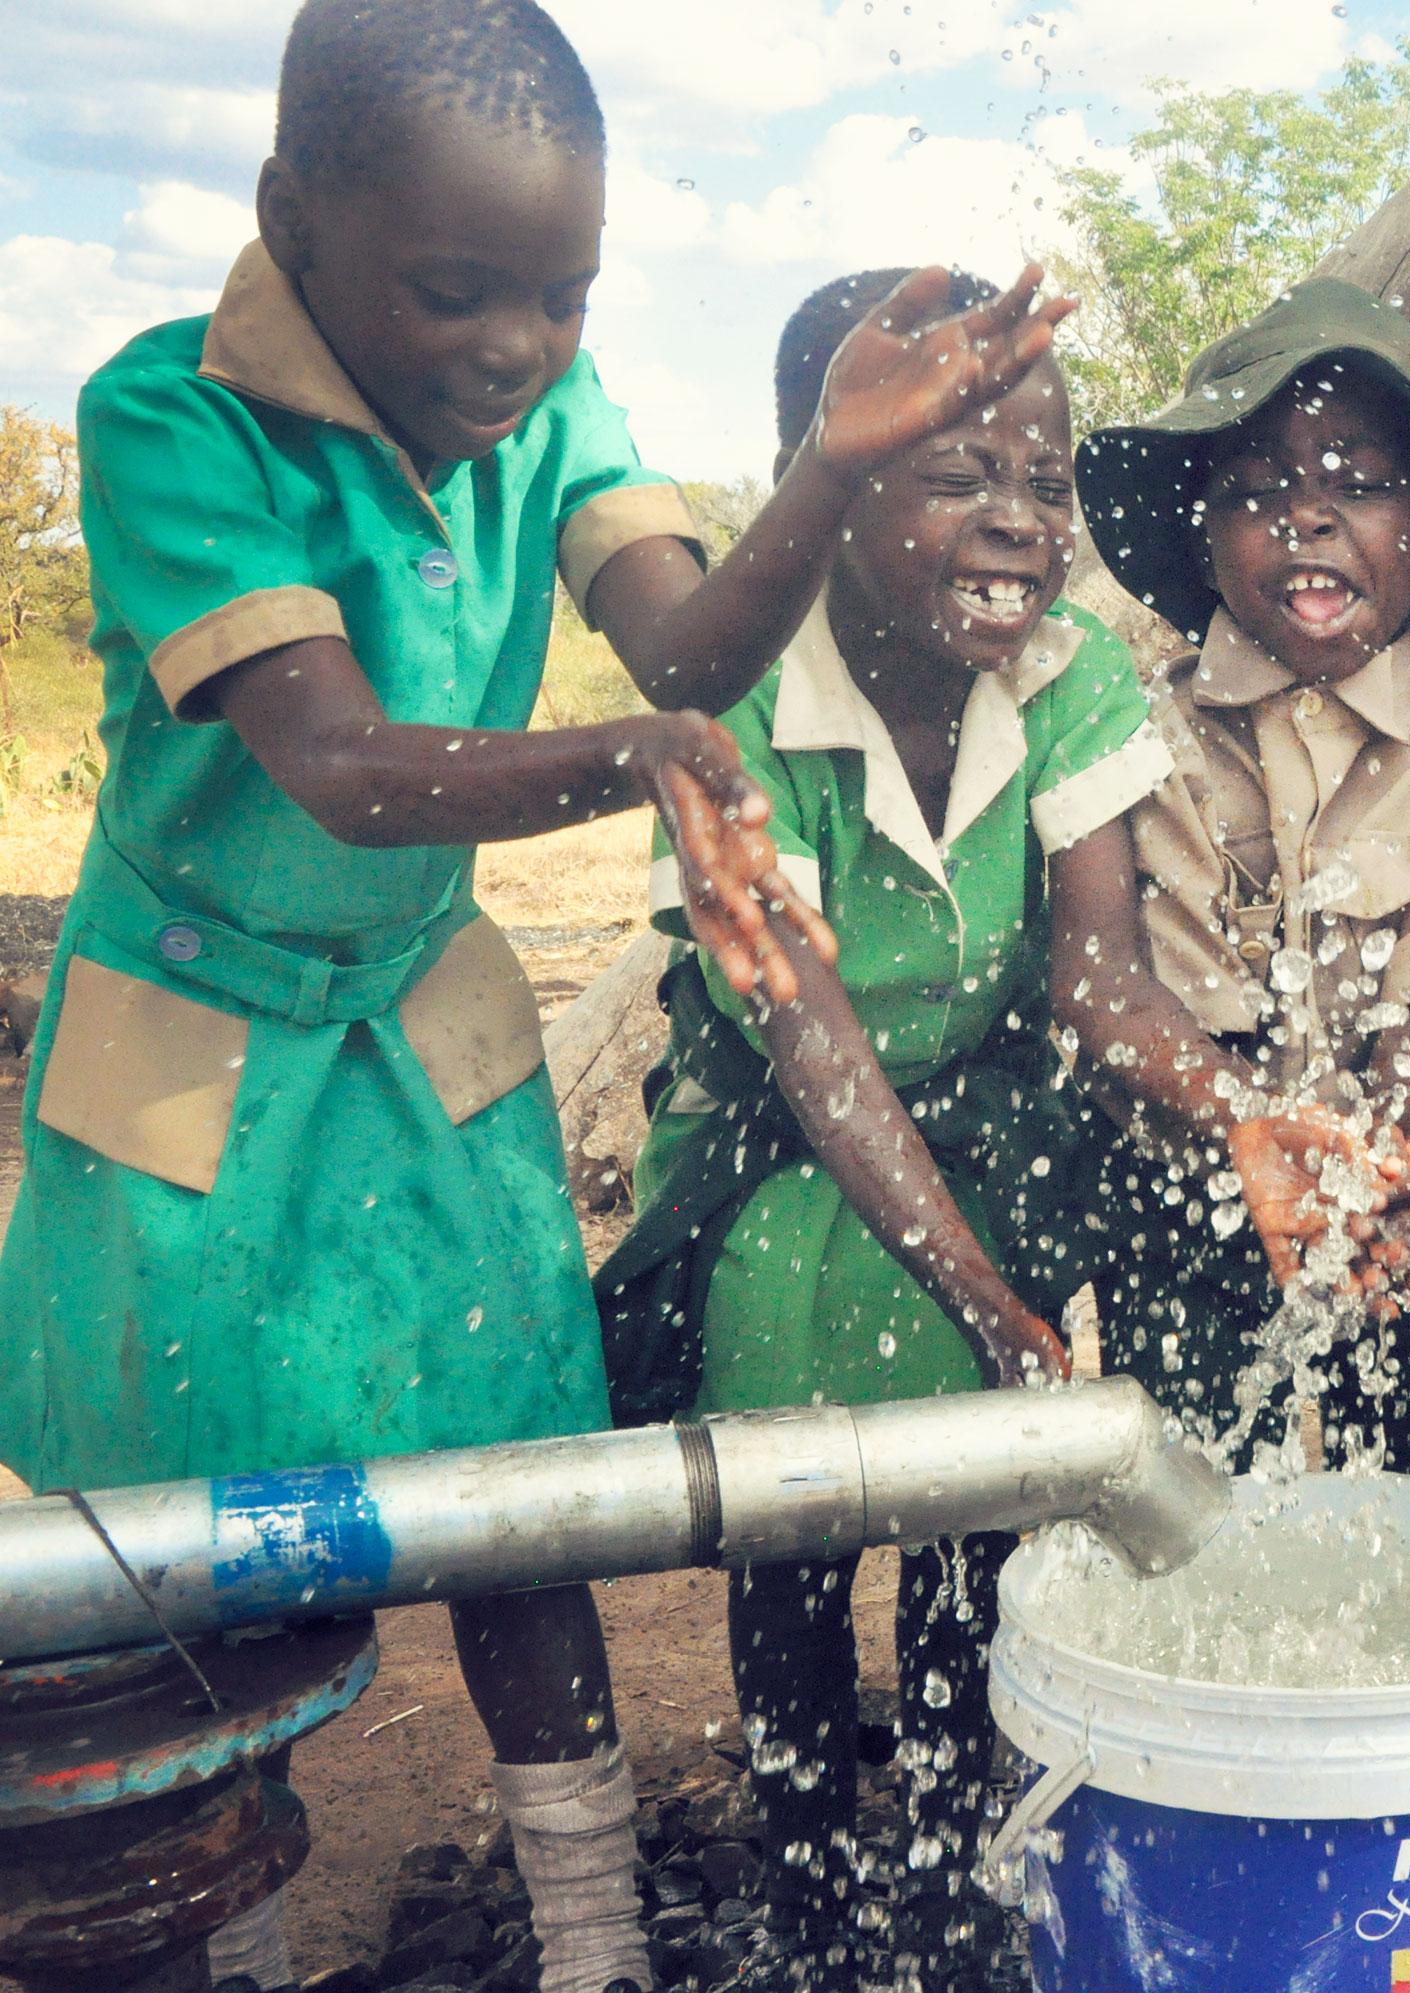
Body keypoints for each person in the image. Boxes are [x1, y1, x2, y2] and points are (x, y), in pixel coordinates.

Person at [0, 7, 1065, 1991]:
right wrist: (635, 764)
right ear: (291, 219)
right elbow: (338, 761)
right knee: (178, 1528)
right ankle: (235, 1937)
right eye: (456, 290)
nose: (515, 344)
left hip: (420, 1015)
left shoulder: (555, 414)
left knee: (522, 1484)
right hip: (188, 1033)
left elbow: (695, 650)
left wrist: (828, 469)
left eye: (562, 295)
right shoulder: (170, 418)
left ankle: (592, 1937)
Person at [591, 267, 1188, 1992]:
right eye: (956, 473)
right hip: (789, 1153)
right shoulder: (738, 702)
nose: (1019, 519)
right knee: (796, 1499)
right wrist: (986, 1301)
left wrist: (1253, 1111)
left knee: (974, 1516)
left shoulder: (1069, 672)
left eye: (1044, 479)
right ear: (826, 484)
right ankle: (801, 1856)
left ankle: (945, 1838)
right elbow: (809, 1039)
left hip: (988, 1135)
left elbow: (1102, 980)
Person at [1068, 278, 1410, 1473]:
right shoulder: (1137, 740)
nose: (1306, 517)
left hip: (1403, 1196)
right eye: (1254, 490)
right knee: (1180, 1510)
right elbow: (1129, 994)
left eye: (1364, 483)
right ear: (1199, 533)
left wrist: (1371, 1163)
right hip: (1186, 1204)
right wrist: (1254, 1130)